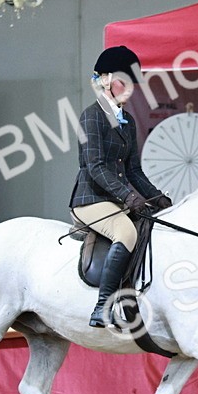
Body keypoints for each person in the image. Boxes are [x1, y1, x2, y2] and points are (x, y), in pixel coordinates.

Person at [69, 46, 172, 328]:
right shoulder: (91, 116)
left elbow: (133, 171)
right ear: (104, 80)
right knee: (126, 232)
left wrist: (157, 198)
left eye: (132, 82)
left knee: (155, 223)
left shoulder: (128, 122)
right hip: (90, 199)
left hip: (115, 200)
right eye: (122, 81)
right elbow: (95, 166)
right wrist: (128, 195)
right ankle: (102, 306)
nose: (130, 88)